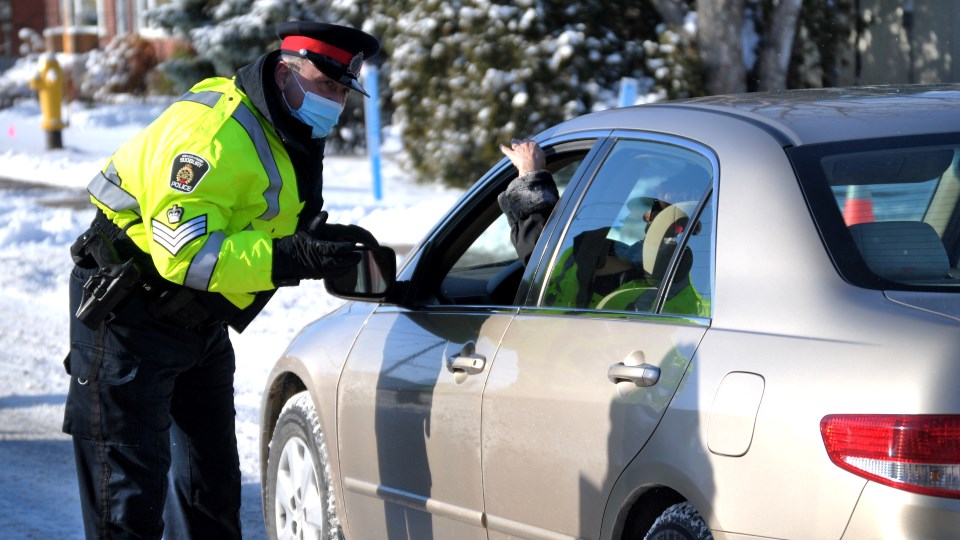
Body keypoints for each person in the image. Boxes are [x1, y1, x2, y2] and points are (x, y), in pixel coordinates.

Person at [63, 21, 381, 539]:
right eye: (326, 85)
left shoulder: (284, 125)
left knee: (211, 496)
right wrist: (289, 256)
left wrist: (316, 239)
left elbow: (257, 213)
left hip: (199, 321)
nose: (336, 101)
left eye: (343, 90)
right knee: (126, 505)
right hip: (129, 315)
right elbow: (182, 253)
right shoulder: (212, 135)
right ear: (285, 74)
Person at [497, 139, 708, 315]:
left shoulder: (612, 266)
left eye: (656, 205)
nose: (645, 216)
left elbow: (542, 259)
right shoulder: (704, 289)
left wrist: (530, 179)